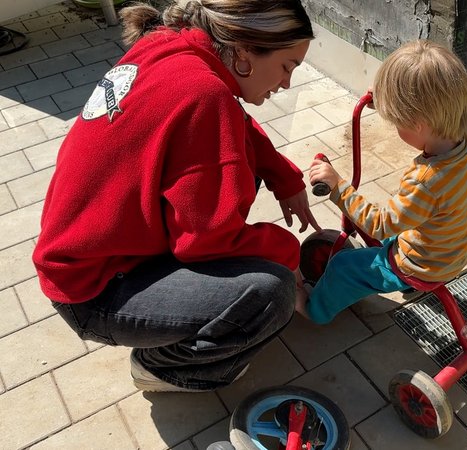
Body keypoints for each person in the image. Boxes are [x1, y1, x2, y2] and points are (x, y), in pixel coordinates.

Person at [31, 0, 321, 392]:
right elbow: (207, 242)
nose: (286, 83)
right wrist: (288, 254)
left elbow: (236, 124)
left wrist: (284, 177)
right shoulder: (206, 96)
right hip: (92, 290)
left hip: (80, 252)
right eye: (288, 66)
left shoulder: (171, 45)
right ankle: (164, 369)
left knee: (238, 168)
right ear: (244, 51)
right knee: (271, 293)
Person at [303, 39, 467, 324]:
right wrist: (390, 101)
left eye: (398, 120)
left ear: (418, 123)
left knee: (343, 267)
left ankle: (314, 309)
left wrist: (339, 188)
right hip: (455, 248)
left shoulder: (427, 181)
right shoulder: (465, 145)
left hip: (422, 265)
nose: (396, 125)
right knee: (391, 235)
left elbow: (381, 223)